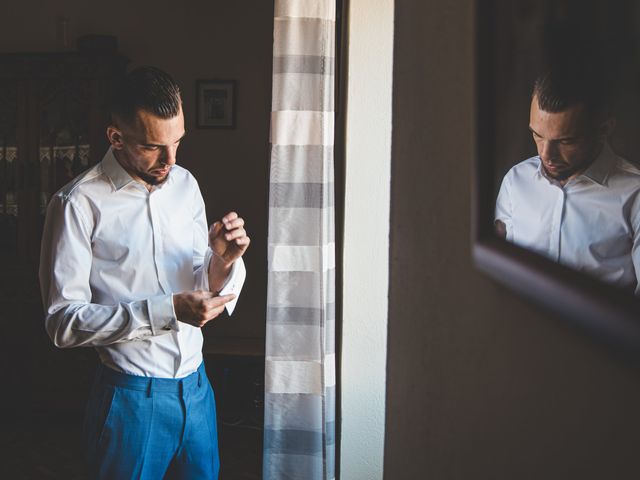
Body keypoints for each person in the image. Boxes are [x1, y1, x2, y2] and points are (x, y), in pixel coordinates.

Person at [39, 66, 249, 478]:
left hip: (198, 389)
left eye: (177, 142)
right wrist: (166, 311)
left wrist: (222, 261)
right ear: (115, 137)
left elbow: (197, 280)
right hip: (130, 398)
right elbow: (61, 323)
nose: (172, 160)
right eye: (154, 147)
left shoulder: (186, 185)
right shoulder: (76, 204)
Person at [495, 67, 640, 294]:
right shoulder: (515, 182)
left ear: (603, 129)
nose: (546, 154)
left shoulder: (635, 194)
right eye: (537, 135)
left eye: (565, 141)